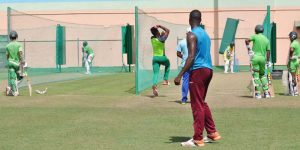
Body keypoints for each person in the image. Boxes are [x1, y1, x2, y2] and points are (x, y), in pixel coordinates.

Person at [174, 10, 221, 147]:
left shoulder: (191, 35)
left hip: (198, 71)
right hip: (208, 70)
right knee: (201, 102)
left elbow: (191, 56)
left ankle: (197, 138)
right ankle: (212, 132)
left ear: (190, 19)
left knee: (196, 105)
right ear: (200, 20)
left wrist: (180, 75)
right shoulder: (205, 34)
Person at [245, 25, 271, 99]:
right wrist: (268, 61)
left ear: (256, 30)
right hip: (263, 59)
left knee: (256, 75)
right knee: (262, 75)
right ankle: (266, 93)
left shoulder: (255, 36)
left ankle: (258, 94)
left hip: (255, 58)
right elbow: (268, 51)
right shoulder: (266, 39)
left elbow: (246, 40)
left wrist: (249, 49)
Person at [150, 24, 170, 96]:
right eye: (158, 31)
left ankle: (154, 86)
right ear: (157, 32)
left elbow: (154, 33)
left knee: (156, 73)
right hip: (162, 57)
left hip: (155, 58)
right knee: (168, 64)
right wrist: (161, 26)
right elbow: (168, 31)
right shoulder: (162, 39)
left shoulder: (152, 38)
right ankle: (165, 80)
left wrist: (155, 29)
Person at [6, 30, 24, 96]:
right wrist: (22, 61)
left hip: (10, 63)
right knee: (20, 77)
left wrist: (10, 61)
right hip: (17, 64)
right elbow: (20, 53)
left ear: (10, 37)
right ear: (16, 37)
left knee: (12, 78)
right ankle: (14, 91)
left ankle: (10, 88)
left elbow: (7, 56)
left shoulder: (7, 46)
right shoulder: (19, 44)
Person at [176, 28, 191, 104]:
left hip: (185, 64)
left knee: (185, 81)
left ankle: (184, 99)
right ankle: (196, 99)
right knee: (195, 82)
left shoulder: (181, 42)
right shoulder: (196, 41)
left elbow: (178, 53)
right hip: (195, 64)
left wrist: (185, 57)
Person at [287, 31, 300, 96]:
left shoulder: (293, 43)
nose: (289, 37)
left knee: (292, 77)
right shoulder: (297, 43)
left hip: (293, 61)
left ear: (292, 36)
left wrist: (290, 56)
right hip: (298, 60)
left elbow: (291, 50)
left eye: (290, 36)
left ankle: (293, 92)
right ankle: (296, 91)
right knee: (296, 76)